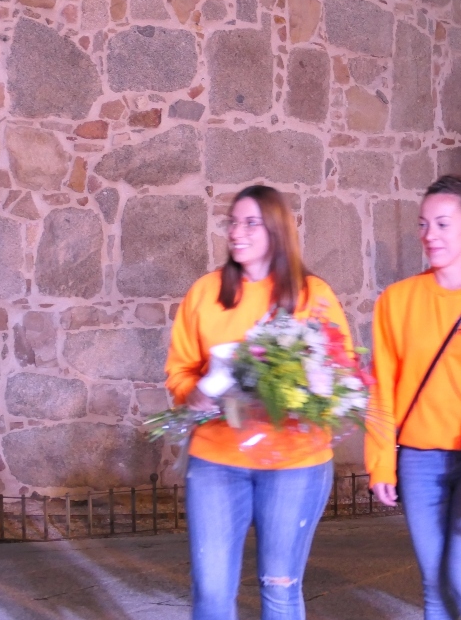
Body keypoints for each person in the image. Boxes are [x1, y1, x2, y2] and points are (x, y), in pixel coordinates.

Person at [165, 185, 354, 620]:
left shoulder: (313, 295)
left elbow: (340, 374)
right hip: (216, 460)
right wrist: (193, 392)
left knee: (279, 589)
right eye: (232, 222)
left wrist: (301, 393)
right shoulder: (205, 292)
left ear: (277, 229)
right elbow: (179, 371)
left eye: (251, 223)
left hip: (295, 464)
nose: (237, 232)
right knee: (211, 593)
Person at [365, 174, 461, 620]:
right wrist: (381, 462)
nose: (429, 235)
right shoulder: (396, 300)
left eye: (442, 224)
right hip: (418, 460)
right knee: (435, 587)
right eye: (423, 224)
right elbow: (381, 387)